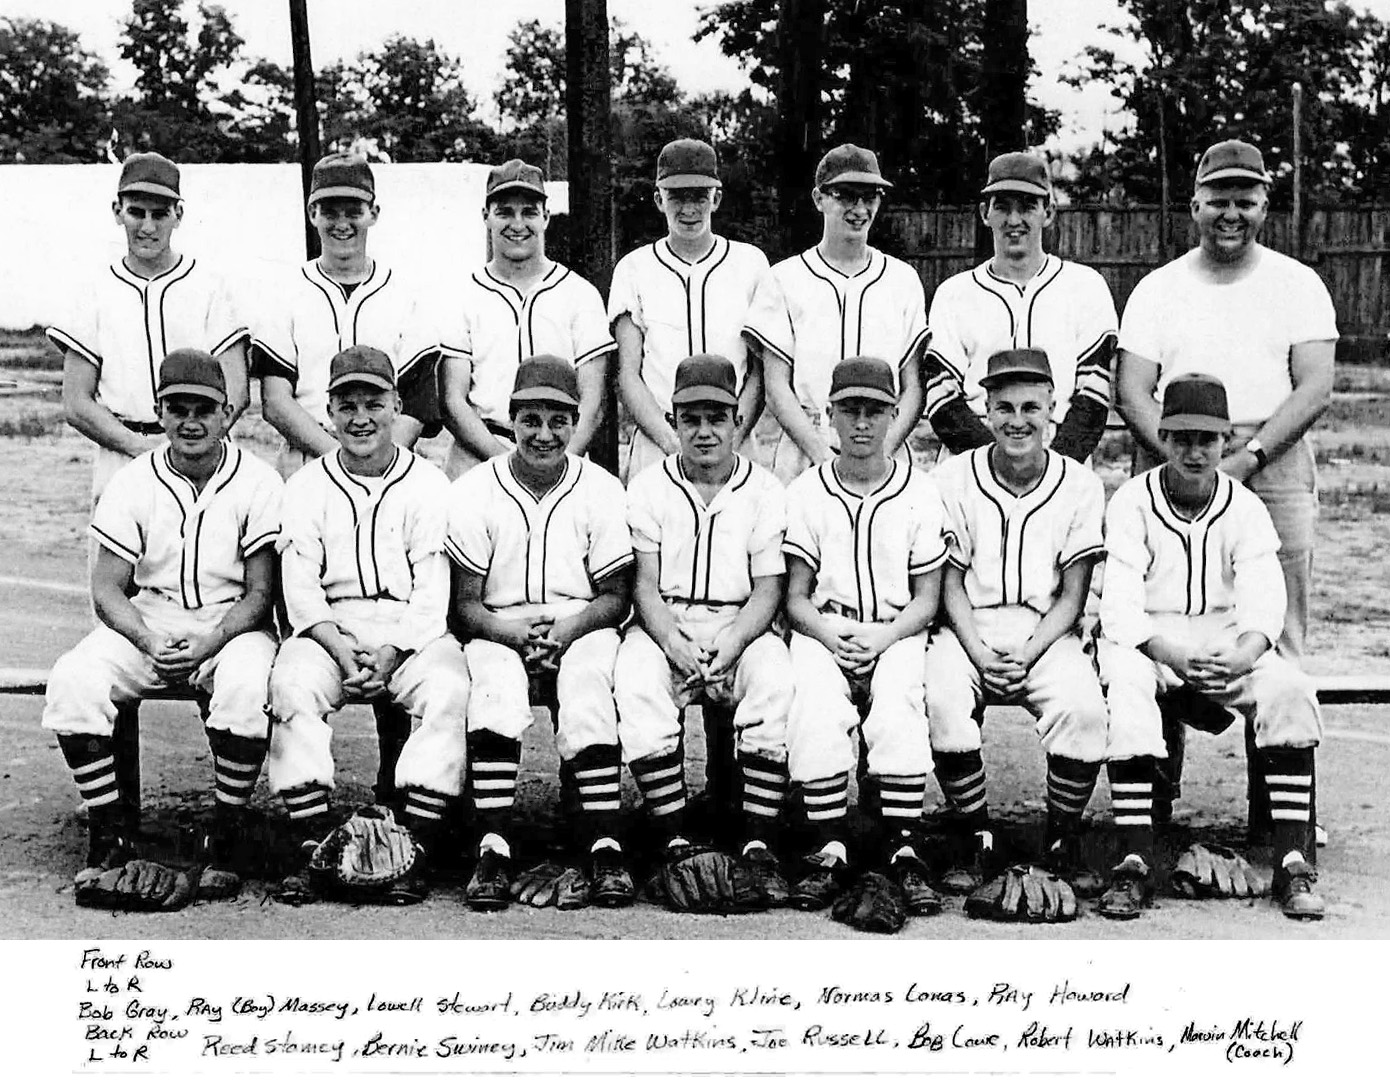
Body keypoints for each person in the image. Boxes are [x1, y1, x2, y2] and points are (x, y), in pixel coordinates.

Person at [1115, 137, 1337, 837]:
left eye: (1246, 199)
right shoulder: (1161, 286)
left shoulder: (1297, 281)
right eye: (1219, 199)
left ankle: (1278, 812)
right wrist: (1189, 457)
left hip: (1273, 452)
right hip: (1174, 449)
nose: (1231, 212)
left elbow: (1317, 384)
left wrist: (1249, 457)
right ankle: (1154, 795)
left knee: (1275, 631)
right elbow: (1132, 387)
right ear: (1195, 204)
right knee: (1159, 618)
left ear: (1265, 203)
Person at [43, 349, 280, 905]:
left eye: (204, 408)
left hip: (230, 625)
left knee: (246, 688)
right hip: (149, 621)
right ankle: (111, 832)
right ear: (159, 410)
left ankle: (224, 831)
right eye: (177, 408)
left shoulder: (259, 480)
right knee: (74, 680)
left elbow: (262, 594)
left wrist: (210, 640)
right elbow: (106, 588)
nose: (190, 421)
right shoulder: (133, 479)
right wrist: (148, 640)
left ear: (227, 413)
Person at [1097, 374, 1324, 920]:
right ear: (1163, 439)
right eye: (1181, 438)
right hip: (1151, 642)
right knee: (1126, 686)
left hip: (1227, 641)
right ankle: (1133, 860)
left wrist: (1245, 654)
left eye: (1206, 439)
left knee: (1290, 688)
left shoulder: (1244, 506)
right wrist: (1171, 654)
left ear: (1226, 440)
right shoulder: (1132, 501)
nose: (1194, 452)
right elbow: (1119, 608)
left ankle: (1292, 859)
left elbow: (1267, 602)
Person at [267, 346, 470, 905]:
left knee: (450, 689)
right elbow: (300, 587)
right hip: (330, 629)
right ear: (328, 411)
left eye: (373, 402)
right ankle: (310, 844)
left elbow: (434, 590)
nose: (361, 417)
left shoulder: (429, 483)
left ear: (397, 405)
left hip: (410, 631)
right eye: (346, 404)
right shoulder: (306, 485)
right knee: (289, 685)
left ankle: (414, 847)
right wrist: (339, 646)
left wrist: (391, 655)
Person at [446, 356, 635, 910]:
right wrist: (514, 636)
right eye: (531, 419)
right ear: (511, 420)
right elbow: (464, 607)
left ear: (576, 422)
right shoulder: (476, 488)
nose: (544, 433)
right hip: (499, 625)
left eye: (558, 420)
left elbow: (616, 596)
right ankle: (494, 845)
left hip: (582, 624)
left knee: (588, 688)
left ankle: (604, 844)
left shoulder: (600, 488)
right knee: (496, 693)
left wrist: (570, 629)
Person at [924, 348, 1109, 897]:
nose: (1018, 420)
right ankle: (975, 833)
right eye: (1004, 407)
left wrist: (1026, 654)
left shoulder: (1080, 484)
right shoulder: (953, 477)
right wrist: (981, 653)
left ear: (1054, 408)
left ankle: (1061, 838)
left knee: (1082, 706)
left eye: (1032, 406)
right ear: (985, 411)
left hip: (1045, 632)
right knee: (941, 697)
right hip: (967, 628)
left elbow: (1073, 596)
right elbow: (948, 582)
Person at [615, 354, 793, 904]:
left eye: (717, 417)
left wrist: (734, 641)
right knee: (638, 680)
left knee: (774, 679)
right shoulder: (648, 485)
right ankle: (674, 838)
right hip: (666, 621)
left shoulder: (765, 489)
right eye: (690, 418)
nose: (704, 430)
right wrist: (672, 640)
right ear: (673, 420)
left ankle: (758, 845)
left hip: (741, 624)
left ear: (738, 419)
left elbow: (769, 589)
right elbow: (643, 586)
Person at [781, 356, 948, 916]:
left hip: (895, 628)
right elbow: (796, 596)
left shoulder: (921, 491)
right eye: (849, 409)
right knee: (814, 701)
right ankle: (826, 845)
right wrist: (830, 638)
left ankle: (903, 847)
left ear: (895, 415)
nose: (861, 423)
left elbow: (928, 598)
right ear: (829, 415)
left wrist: (882, 639)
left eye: (874, 411)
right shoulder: (806, 490)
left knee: (900, 702)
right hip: (825, 626)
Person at [48, 151, 250, 500]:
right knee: (120, 554)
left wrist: (190, 446)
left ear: (179, 215)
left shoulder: (210, 286)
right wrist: (140, 448)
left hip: (204, 456)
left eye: (160, 214)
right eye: (136, 213)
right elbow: (76, 401)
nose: (147, 227)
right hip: (122, 452)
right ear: (117, 212)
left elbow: (237, 388)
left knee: (208, 553)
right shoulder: (96, 290)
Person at [743, 145, 928, 484]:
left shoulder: (902, 279)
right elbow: (775, 385)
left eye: (869, 196)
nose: (859, 209)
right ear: (819, 198)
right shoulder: (785, 278)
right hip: (807, 444)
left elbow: (912, 385)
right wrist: (820, 455)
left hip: (885, 444)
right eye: (846, 196)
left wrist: (881, 452)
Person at [922, 151, 1117, 462]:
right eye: (1002, 207)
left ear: (1049, 212)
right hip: (971, 456)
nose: (1014, 221)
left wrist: (1053, 469)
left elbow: (1093, 397)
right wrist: (994, 464)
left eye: (1027, 207)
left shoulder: (1086, 287)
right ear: (985, 213)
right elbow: (941, 398)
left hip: (1061, 450)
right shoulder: (954, 293)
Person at [253, 152, 437, 478]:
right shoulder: (285, 290)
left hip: (390, 463)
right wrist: (340, 461)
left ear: (373, 214)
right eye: (329, 211)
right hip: (306, 457)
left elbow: (418, 400)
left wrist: (377, 460)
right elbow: (275, 400)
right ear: (313, 213)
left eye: (353, 211)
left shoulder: (405, 293)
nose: (341, 223)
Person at [438, 159, 615, 478]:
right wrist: (506, 466)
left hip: (561, 453)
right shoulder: (463, 293)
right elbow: (453, 399)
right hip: (479, 455)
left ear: (545, 217)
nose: (517, 223)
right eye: (505, 211)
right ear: (486, 217)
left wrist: (556, 463)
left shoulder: (579, 293)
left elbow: (593, 402)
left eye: (529, 212)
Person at [609, 139, 770, 480]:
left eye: (699, 195)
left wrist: (731, 438)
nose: (689, 209)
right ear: (658, 199)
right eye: (677, 196)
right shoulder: (633, 268)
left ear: (717, 198)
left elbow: (759, 370)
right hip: (659, 439)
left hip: (734, 438)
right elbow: (627, 373)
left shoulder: (751, 263)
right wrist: (671, 442)